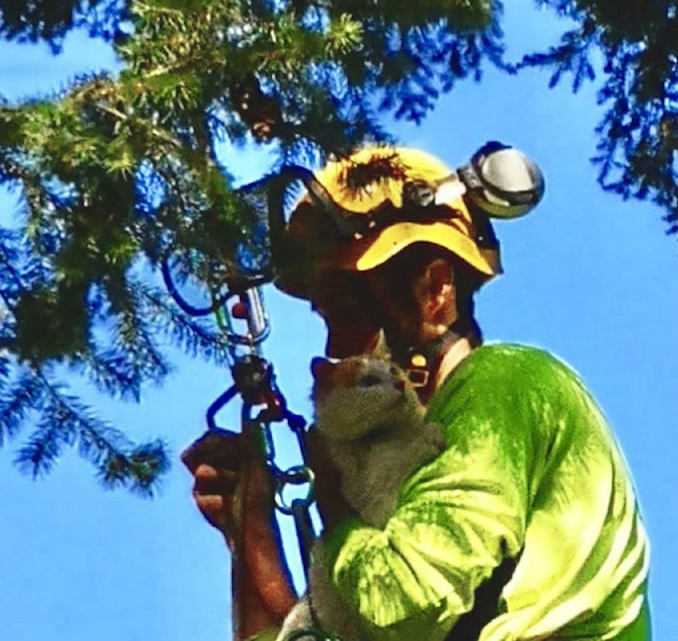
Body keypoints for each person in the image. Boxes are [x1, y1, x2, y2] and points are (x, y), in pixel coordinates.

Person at [181, 146, 651, 641]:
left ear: (435, 290)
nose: (335, 350)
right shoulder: (402, 501)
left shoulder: (509, 382)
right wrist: (249, 524)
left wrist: (333, 500)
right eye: (327, 319)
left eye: (349, 312)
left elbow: (404, 602)